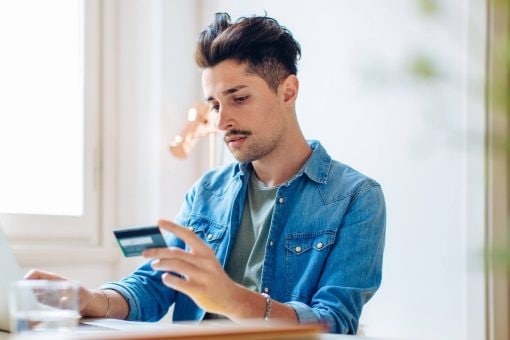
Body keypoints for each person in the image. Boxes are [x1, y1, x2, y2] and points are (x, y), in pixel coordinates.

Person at [26, 12, 386, 334]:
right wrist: (88, 298)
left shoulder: (355, 197)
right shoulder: (207, 191)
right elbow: (155, 286)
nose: (222, 120)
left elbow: (334, 324)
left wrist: (232, 300)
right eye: (215, 104)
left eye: (239, 98)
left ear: (287, 91)